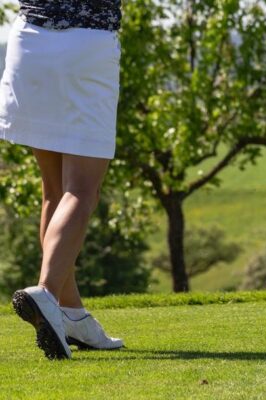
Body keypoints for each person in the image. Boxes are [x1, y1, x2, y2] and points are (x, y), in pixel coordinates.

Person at [0, 1, 124, 359]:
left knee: (54, 192)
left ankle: (71, 314)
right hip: (86, 47)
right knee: (82, 190)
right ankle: (48, 294)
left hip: (30, 44)